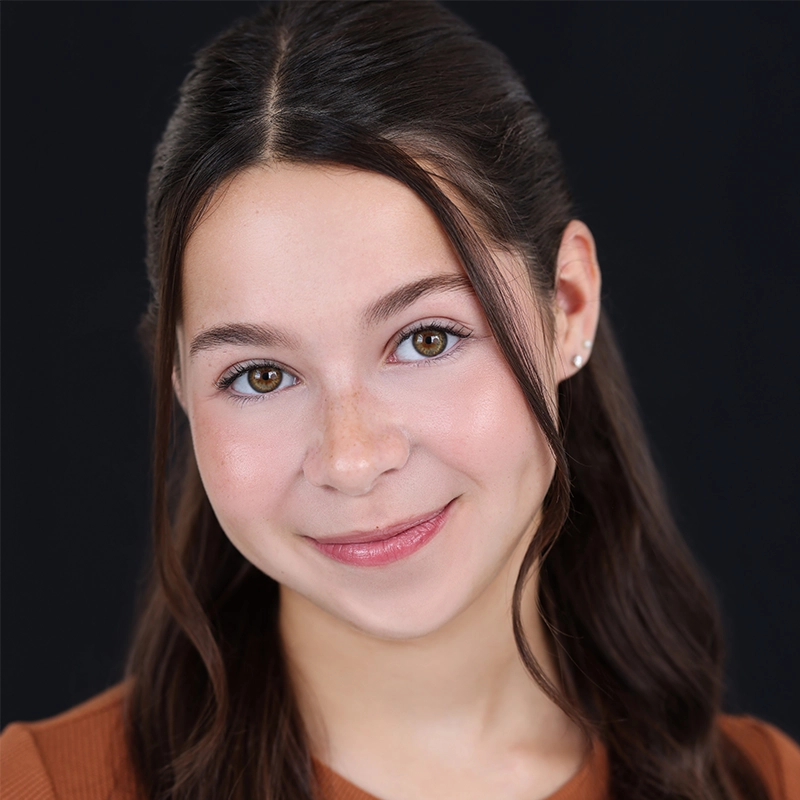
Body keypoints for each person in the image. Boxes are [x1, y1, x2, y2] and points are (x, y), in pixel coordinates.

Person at [2, 2, 798, 798]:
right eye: (261, 376)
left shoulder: (764, 783)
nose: (351, 460)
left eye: (426, 339)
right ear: (181, 385)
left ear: (568, 303)